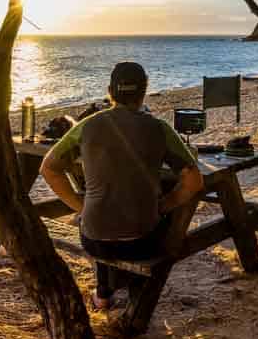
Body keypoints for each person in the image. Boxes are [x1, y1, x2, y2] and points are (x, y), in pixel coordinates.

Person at [41, 62, 204, 310]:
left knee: (104, 215)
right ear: (144, 92)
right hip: (143, 243)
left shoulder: (86, 126)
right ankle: (134, 290)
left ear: (109, 92)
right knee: (156, 214)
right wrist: (163, 206)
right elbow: (194, 181)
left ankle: (103, 294)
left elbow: (49, 168)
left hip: (93, 240)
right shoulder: (159, 128)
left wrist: (80, 207)